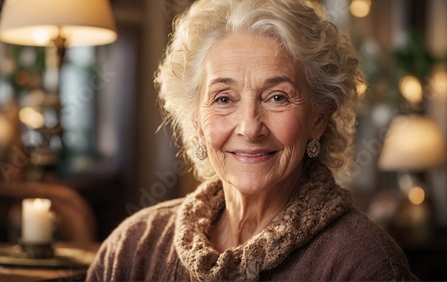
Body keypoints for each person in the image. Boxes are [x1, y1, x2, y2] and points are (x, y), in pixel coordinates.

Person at [87, 0, 416, 280]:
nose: (249, 127)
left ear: (318, 118)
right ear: (196, 121)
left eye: (277, 97)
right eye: (223, 99)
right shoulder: (132, 249)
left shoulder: (366, 266)